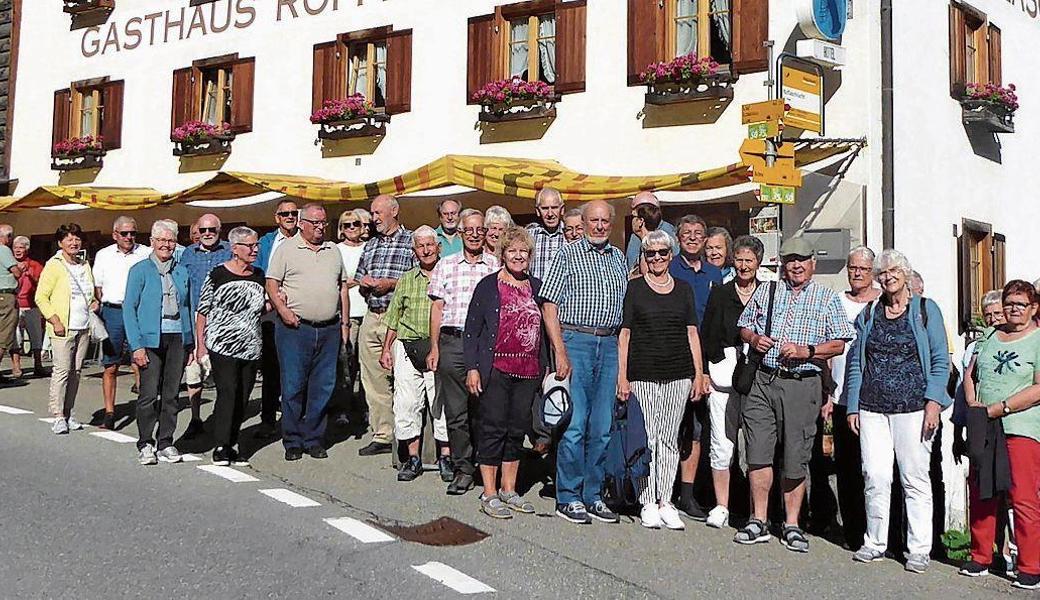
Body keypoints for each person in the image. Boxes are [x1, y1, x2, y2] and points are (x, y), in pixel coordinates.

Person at [733, 236, 854, 552]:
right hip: (763, 380)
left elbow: (840, 342)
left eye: (802, 259)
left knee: (795, 457)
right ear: (783, 263)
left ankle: (791, 524)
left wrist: (807, 350)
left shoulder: (826, 298)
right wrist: (754, 337)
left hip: (803, 384)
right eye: (790, 260)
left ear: (813, 262)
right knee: (758, 451)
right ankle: (757, 520)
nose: (796, 265)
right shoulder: (768, 290)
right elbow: (744, 326)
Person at [844, 249, 950, 573]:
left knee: (914, 478)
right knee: (874, 475)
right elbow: (856, 362)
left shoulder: (925, 310)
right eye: (883, 273)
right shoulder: (870, 313)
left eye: (893, 271)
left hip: (914, 408)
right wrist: (852, 406)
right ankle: (875, 541)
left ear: (906, 273)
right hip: (872, 407)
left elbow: (940, 360)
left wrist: (934, 402)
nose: (888, 277)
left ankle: (918, 548)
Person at [540, 200, 628, 525]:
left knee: (602, 427)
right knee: (574, 426)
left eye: (606, 220)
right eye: (594, 220)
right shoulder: (567, 254)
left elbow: (622, 318)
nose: (600, 226)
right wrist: (560, 351)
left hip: (608, 343)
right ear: (584, 221)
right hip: (576, 340)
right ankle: (569, 496)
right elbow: (548, 305)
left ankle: (594, 495)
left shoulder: (618, 258)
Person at [618, 230, 704, 530]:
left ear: (671, 255)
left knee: (669, 438)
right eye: (650, 254)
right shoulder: (635, 289)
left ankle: (665, 499)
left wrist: (698, 373)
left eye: (662, 253)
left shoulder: (683, 289)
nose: (656, 258)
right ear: (644, 257)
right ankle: (646, 500)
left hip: (678, 373)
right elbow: (625, 333)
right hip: (642, 373)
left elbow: (692, 332)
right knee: (647, 437)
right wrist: (622, 376)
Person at [964, 280, 1040, 590]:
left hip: (1019, 426)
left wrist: (1003, 407)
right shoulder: (990, 336)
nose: (1013, 309)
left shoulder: (1037, 340)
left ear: (1033, 308)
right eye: (1009, 303)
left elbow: (1038, 388)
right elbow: (971, 374)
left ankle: (1030, 565)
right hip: (985, 424)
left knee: (1023, 497)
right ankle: (981, 556)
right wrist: (973, 403)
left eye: (1020, 304)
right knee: (982, 492)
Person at [465, 226, 545, 518]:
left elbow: (547, 329)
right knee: (493, 429)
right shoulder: (488, 286)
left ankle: (509, 489)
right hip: (495, 369)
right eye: (512, 251)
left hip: (528, 371)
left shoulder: (537, 286)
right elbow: (472, 330)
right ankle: (489, 492)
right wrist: (472, 368)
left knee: (515, 431)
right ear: (502, 254)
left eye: (523, 251)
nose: (518, 256)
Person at [266, 204, 350, 461]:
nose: (320, 227)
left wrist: (344, 324)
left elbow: (342, 288)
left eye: (323, 223)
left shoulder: (333, 250)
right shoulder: (286, 249)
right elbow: (271, 283)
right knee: (293, 385)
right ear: (302, 223)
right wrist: (283, 311)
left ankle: (314, 438)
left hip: (328, 328)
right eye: (314, 222)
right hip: (295, 328)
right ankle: (292, 440)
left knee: (323, 386)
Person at [428, 209, 500, 495]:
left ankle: (486, 466)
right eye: (468, 230)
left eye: (479, 230)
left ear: (485, 234)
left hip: (484, 345)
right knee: (456, 413)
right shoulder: (445, 265)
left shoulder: (495, 266)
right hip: (452, 343)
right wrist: (434, 346)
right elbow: (437, 309)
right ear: (460, 234)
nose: (474, 235)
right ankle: (463, 469)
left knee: (484, 410)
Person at [701, 235, 765, 529]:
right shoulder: (721, 293)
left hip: (759, 376)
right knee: (722, 443)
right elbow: (708, 335)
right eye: (738, 259)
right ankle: (722, 506)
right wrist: (707, 369)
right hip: (723, 376)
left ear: (758, 263)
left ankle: (757, 511)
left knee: (757, 445)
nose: (743, 265)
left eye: (748, 260)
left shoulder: (767, 293)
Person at [379, 226, 451, 482]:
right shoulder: (406, 279)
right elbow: (394, 316)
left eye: (430, 245)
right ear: (414, 251)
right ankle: (412, 458)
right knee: (407, 403)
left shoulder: (449, 273)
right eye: (420, 246)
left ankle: (446, 457)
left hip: (438, 347)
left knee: (440, 403)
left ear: (438, 247)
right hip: (407, 346)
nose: (426, 250)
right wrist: (387, 348)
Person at [195, 227, 268, 466]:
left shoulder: (259, 274)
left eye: (256, 245)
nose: (255, 250)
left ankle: (233, 441)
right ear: (235, 249)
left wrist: (278, 304)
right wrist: (200, 346)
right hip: (222, 345)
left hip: (251, 345)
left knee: (243, 395)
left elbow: (260, 308)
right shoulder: (218, 275)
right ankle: (221, 445)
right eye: (250, 246)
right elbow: (203, 310)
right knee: (228, 393)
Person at [124, 219, 193, 465]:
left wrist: (191, 342)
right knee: (148, 394)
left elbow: (189, 306)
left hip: (177, 336)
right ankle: (145, 442)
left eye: (171, 240)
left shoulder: (182, 271)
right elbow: (129, 309)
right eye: (161, 240)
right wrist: (136, 346)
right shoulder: (140, 270)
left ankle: (166, 442)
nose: (166, 245)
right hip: (149, 339)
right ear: (152, 242)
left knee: (172, 393)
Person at [669, 213, 723, 520]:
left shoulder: (715, 274)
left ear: (705, 239)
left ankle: (688, 495)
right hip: (673, 358)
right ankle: (663, 488)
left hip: (704, 362)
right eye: (686, 232)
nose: (692, 237)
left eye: (698, 232)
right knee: (669, 427)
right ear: (678, 238)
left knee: (696, 429)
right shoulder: (668, 267)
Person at [828, 246, 881, 549]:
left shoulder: (881, 304)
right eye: (852, 268)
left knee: (874, 468)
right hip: (841, 396)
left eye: (863, 269)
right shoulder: (838, 302)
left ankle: (878, 530)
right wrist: (827, 393)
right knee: (847, 466)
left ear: (872, 271)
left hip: (874, 399)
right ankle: (852, 531)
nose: (857, 273)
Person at [355, 194, 416, 456]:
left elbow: (418, 279)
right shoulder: (370, 245)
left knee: (403, 379)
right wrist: (365, 283)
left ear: (394, 211)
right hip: (372, 314)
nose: (374, 218)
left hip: (399, 318)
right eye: (372, 213)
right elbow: (358, 278)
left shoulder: (411, 241)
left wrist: (390, 284)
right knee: (373, 378)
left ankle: (407, 434)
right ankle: (383, 433)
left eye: (378, 213)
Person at [35, 223, 96, 434]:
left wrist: (94, 301)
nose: (74, 242)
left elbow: (90, 292)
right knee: (61, 371)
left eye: (77, 238)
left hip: (83, 325)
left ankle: (69, 413)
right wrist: (55, 321)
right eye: (69, 239)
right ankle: (58, 415)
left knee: (76, 372)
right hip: (63, 328)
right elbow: (41, 297)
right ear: (60, 243)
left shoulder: (84, 264)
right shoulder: (54, 265)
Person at [92, 215, 151, 429]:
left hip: (138, 312)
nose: (129, 237)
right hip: (113, 311)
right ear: (115, 234)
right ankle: (109, 412)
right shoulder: (104, 255)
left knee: (141, 360)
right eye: (124, 233)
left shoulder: (146, 253)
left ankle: (145, 407)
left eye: (133, 233)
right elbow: (97, 288)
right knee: (110, 365)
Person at [180, 214, 232, 439]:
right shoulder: (187, 255)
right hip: (195, 316)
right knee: (194, 369)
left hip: (224, 318)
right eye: (203, 230)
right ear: (196, 233)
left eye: (212, 230)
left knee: (223, 370)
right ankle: (195, 418)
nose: (208, 233)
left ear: (219, 230)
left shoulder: (230, 250)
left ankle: (223, 418)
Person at [255, 199, 300, 440]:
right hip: (272, 313)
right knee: (272, 370)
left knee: (296, 370)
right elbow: (259, 273)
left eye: (294, 213)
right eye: (285, 214)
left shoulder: (306, 239)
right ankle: (268, 419)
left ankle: (295, 420)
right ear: (277, 218)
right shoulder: (267, 243)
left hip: (299, 312)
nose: (290, 217)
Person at [335, 208, 370, 425]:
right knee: (346, 364)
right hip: (346, 313)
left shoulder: (369, 248)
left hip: (367, 310)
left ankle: (366, 407)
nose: (351, 229)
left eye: (355, 224)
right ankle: (343, 409)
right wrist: (354, 281)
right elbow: (337, 282)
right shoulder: (335, 250)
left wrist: (351, 281)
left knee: (367, 365)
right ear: (341, 229)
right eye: (346, 225)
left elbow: (368, 277)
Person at [10, 236, 45, 378]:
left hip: (32, 305)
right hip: (14, 304)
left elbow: (43, 285)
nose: (18, 250)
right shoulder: (8, 264)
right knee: (15, 337)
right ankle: (16, 366)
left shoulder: (36, 265)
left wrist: (32, 276)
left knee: (36, 336)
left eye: (21, 247)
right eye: (15, 247)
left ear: (27, 249)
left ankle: (38, 365)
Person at [0, 223, 23, 384]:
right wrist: (20, 268)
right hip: (6, 295)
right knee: (5, 335)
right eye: (11, 236)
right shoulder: (4, 250)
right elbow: (16, 271)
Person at [526, 187, 566, 282]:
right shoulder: (529, 236)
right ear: (537, 211)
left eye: (554, 207)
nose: (550, 214)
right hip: (535, 294)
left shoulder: (570, 235)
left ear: (562, 209)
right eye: (545, 208)